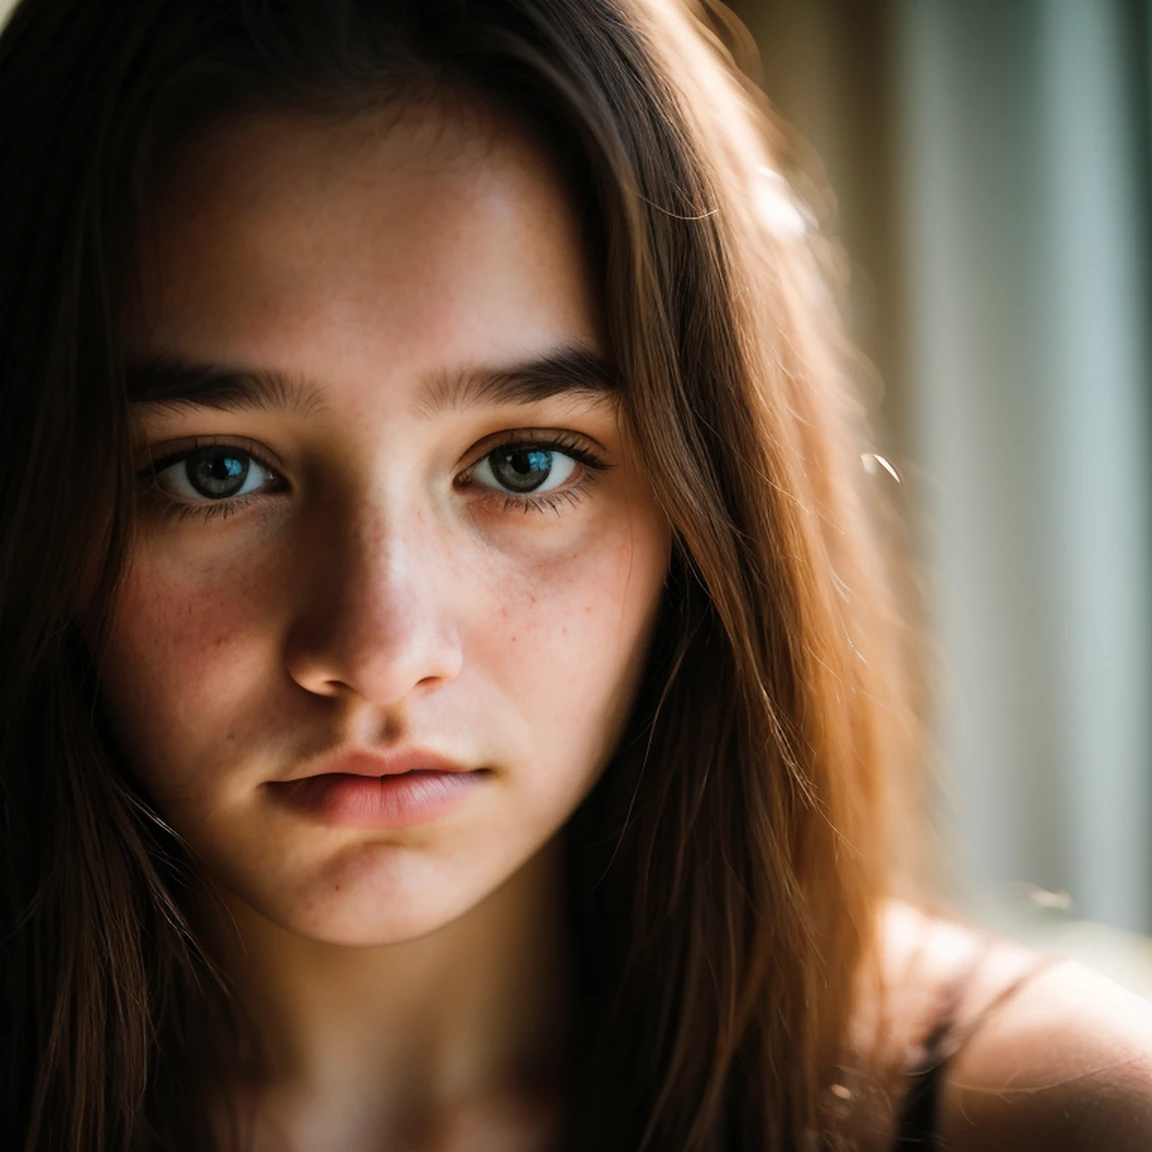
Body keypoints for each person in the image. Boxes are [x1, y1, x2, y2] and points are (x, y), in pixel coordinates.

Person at [0, 1, 1149, 1149]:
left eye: (522, 461)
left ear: (714, 507)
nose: (380, 650)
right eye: (214, 472)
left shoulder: (1057, 1123)